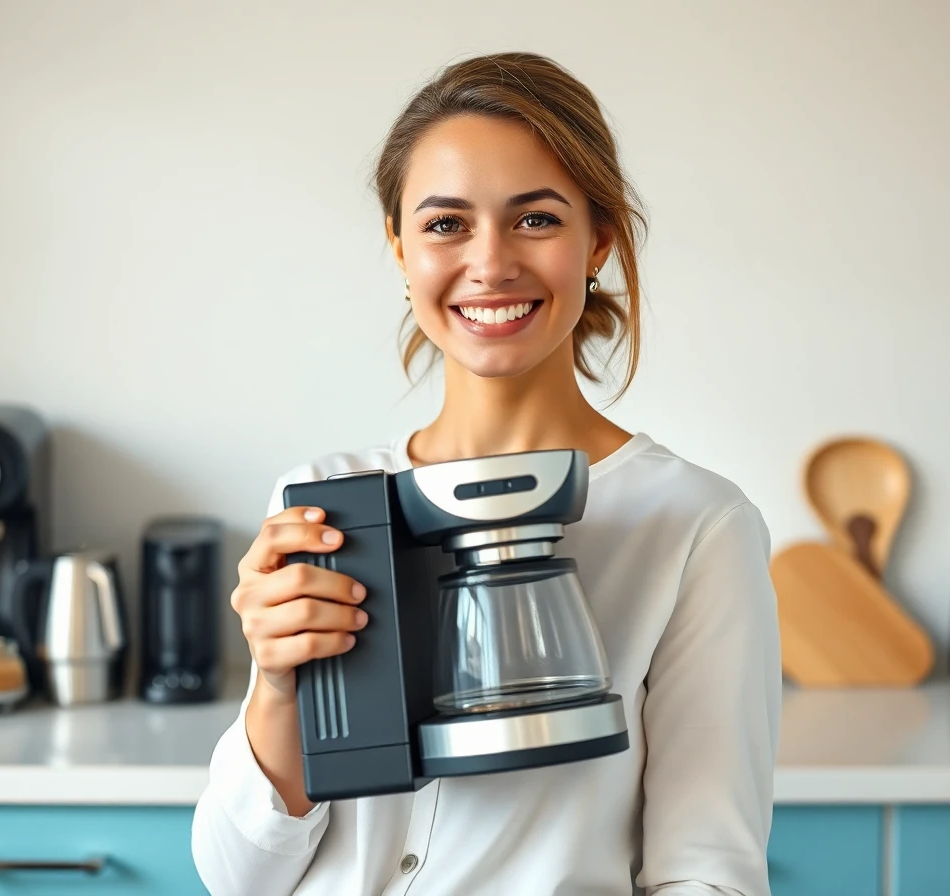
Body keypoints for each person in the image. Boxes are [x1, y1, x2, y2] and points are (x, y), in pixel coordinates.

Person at [191, 51, 782, 896]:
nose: (492, 263)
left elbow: (708, 875)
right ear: (399, 249)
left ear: (598, 240)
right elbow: (235, 880)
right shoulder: (323, 506)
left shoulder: (694, 524)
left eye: (536, 219)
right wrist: (281, 691)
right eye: (445, 224)